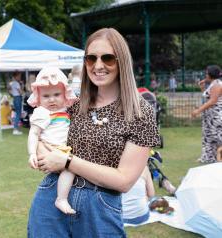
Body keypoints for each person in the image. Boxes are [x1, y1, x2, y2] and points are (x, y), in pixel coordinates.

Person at [27, 28, 160, 237]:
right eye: (91, 59)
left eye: (107, 58)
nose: (98, 66)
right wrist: (42, 150)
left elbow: (124, 180)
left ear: (122, 61)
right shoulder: (74, 104)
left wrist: (67, 161)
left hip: (99, 206)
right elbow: (40, 130)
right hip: (52, 196)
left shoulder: (140, 113)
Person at [27, 67, 77, 214]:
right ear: (39, 98)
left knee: (71, 168)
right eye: (46, 96)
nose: (52, 99)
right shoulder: (42, 112)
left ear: (65, 94)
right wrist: (32, 153)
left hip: (63, 149)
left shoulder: (65, 111)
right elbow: (34, 134)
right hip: (54, 149)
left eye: (56, 94)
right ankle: (61, 199)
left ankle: (62, 197)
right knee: (70, 169)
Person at [191, 65, 222, 163]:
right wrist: (202, 88)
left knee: (217, 136)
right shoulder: (213, 84)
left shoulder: (217, 85)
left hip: (216, 116)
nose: (205, 75)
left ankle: (216, 156)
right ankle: (208, 157)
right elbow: (208, 97)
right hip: (210, 116)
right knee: (209, 136)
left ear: (210, 74)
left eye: (206, 73)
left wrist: (198, 111)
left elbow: (212, 101)